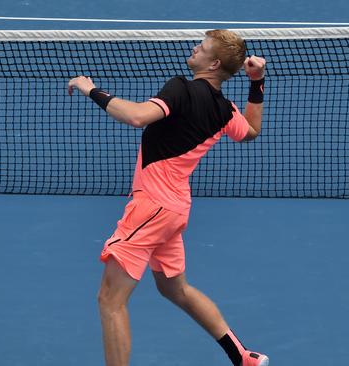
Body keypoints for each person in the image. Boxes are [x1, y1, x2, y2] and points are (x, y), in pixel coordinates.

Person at [68, 29, 269, 366]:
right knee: (175, 289)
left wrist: (91, 89)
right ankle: (243, 356)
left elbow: (136, 116)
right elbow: (250, 131)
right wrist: (257, 82)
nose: (194, 48)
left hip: (151, 207)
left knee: (110, 299)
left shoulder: (181, 88)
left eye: (202, 47)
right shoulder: (225, 109)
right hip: (174, 210)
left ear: (214, 62)